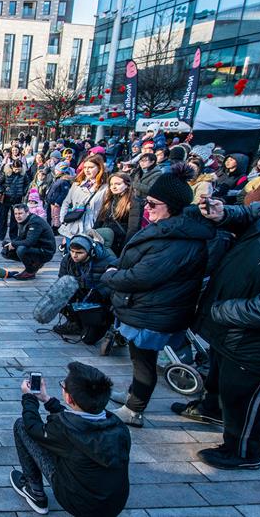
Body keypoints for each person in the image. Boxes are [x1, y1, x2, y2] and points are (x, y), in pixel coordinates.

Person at [180, 157, 260, 470]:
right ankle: (212, 410)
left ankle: (242, 452)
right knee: (224, 381)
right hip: (234, 329)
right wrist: (223, 213)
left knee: (248, 398)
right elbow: (250, 213)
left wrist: (224, 309)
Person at [101, 164, 214, 428]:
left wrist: (109, 275)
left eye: (153, 204)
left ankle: (134, 409)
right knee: (141, 360)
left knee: (144, 363)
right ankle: (133, 395)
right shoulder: (172, 229)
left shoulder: (176, 238)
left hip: (154, 310)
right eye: (147, 202)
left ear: (172, 206)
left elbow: (143, 276)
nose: (147, 208)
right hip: (150, 306)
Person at [11, 361, 130, 516]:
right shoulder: (118, 425)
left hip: (77, 504)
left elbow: (32, 428)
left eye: (63, 385)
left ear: (68, 398)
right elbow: (76, 421)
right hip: (115, 504)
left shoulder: (63, 431)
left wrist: (29, 397)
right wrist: (46, 399)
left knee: (21, 426)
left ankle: (34, 491)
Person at [55, 232, 117, 341]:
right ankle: (75, 323)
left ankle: (107, 324)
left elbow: (115, 284)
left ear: (90, 252)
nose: (74, 255)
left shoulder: (108, 260)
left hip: (100, 299)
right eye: (72, 251)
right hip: (81, 294)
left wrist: (100, 292)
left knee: (89, 340)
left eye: (79, 253)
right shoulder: (68, 259)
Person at [58, 155, 107, 245]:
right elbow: (66, 202)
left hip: (91, 228)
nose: (87, 170)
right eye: (85, 167)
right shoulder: (77, 184)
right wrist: (63, 220)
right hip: (72, 226)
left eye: (91, 167)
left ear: (99, 167)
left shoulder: (105, 188)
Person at [1, 204, 55, 280]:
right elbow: (21, 237)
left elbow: (30, 242)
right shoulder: (23, 220)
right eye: (15, 214)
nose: (17, 216)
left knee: (21, 249)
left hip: (45, 251)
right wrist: (8, 245)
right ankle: (35, 263)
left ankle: (30, 271)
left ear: (27, 213)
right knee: (6, 249)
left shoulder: (35, 222)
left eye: (20, 213)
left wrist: (13, 244)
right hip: (36, 247)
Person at [92, 172, 134, 255]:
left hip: (119, 243)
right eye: (111, 184)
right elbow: (100, 220)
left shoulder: (133, 202)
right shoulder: (109, 199)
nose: (113, 187)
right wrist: (93, 234)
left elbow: (133, 228)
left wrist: (125, 248)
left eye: (118, 184)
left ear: (127, 185)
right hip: (104, 240)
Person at [0, 159, 28, 241]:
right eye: (15, 169)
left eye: (19, 169)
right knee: (3, 217)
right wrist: (2, 191)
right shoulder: (6, 173)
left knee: (15, 218)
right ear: (12, 167)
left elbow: (27, 183)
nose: (17, 170)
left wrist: (23, 192)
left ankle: (13, 236)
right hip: (6, 198)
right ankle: (1, 235)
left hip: (17, 198)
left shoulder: (23, 174)